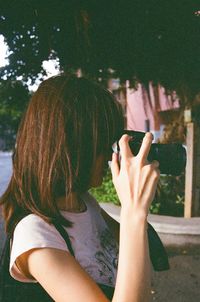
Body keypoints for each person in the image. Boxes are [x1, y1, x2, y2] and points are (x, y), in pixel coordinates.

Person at [0, 74, 160, 302]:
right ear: (73, 146)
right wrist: (134, 210)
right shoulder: (36, 236)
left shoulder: (85, 203)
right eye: (103, 143)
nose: (109, 154)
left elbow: (135, 249)